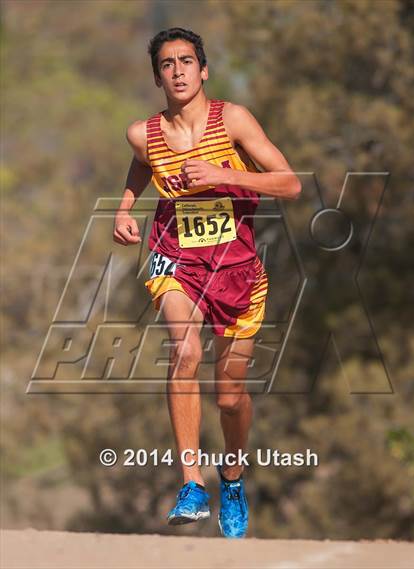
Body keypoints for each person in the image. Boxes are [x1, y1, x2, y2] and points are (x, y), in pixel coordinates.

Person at [113, 27, 301, 538]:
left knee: (229, 396)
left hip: (237, 271)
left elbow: (290, 183)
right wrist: (126, 208)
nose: (177, 70)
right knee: (185, 351)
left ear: (204, 70)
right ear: (157, 76)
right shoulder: (142, 132)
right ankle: (192, 483)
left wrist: (227, 176)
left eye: (186, 61)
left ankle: (233, 477)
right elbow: (141, 161)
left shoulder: (233, 120)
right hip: (175, 259)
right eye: (168, 64)